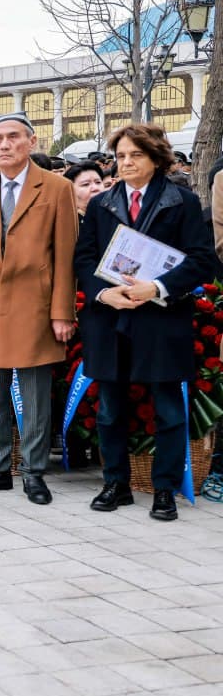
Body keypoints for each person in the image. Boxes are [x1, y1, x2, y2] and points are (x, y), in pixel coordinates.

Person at [76, 124, 215, 521]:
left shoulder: (182, 202)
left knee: (168, 410)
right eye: (120, 156)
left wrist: (155, 288)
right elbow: (84, 259)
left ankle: (165, 489)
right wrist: (106, 293)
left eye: (135, 155)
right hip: (111, 317)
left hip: (162, 318)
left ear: (156, 158)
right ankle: (115, 483)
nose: (126, 163)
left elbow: (201, 260)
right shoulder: (102, 205)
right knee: (109, 409)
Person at [0, 113, 79, 505]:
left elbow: (66, 255)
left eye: (13, 137)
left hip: (35, 305)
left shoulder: (56, 188)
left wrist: (62, 312)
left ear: (32, 142)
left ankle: (34, 472)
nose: (4, 145)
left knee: (36, 395)